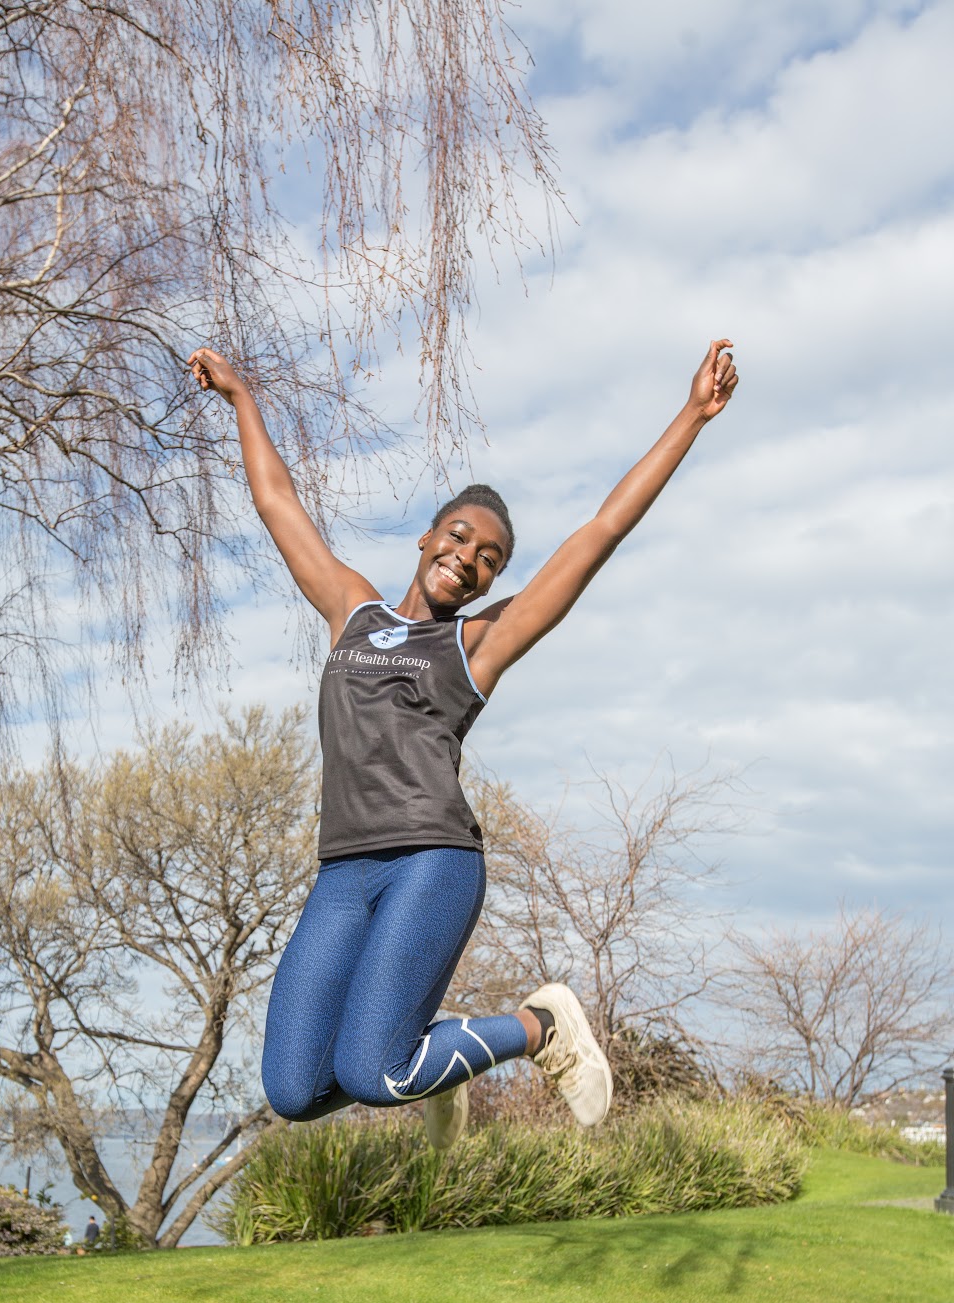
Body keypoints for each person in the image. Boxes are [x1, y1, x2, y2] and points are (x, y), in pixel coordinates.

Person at [187, 339, 738, 1148]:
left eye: (490, 559)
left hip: (430, 860)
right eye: (458, 536)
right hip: (342, 871)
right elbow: (278, 505)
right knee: (295, 1090)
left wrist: (692, 414)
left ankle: (539, 1027)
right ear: (427, 537)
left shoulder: (477, 644)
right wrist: (241, 399)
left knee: (378, 1074)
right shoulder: (355, 610)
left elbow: (602, 530)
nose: (468, 559)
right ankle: (439, 1058)